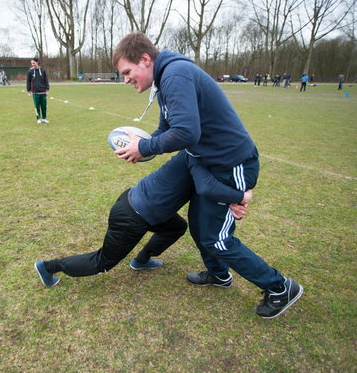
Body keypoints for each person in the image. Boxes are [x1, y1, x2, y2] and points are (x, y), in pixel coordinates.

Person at [111, 32, 303, 319]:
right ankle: (218, 275)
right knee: (201, 229)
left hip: (231, 163)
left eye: (127, 71)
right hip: (210, 163)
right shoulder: (166, 80)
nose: (125, 78)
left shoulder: (175, 74)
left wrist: (146, 147)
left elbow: (187, 132)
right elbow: (167, 128)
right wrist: (144, 146)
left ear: (145, 59)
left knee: (217, 238)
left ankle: (280, 287)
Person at [35, 150, 250, 287]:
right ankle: (48, 267)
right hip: (131, 216)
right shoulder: (198, 158)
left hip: (137, 202)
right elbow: (207, 187)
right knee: (102, 263)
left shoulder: (194, 152)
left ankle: (141, 260)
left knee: (176, 227)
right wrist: (242, 197)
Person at [26, 57, 50, 124]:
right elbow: (28, 81)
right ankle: (38, 118)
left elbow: (46, 80)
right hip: (35, 92)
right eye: (32, 63)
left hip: (43, 92)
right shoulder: (30, 71)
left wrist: (47, 89)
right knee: (37, 106)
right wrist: (28, 91)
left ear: (37, 62)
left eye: (33, 63)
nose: (32, 64)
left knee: (44, 106)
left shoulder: (43, 70)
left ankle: (44, 118)